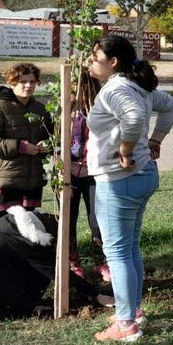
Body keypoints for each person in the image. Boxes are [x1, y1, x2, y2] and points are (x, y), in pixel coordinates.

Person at [87, 35, 173, 342]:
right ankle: (133, 310)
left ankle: (125, 324)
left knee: (117, 252)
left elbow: (135, 116)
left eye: (94, 57)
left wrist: (127, 150)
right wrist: (155, 141)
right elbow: (170, 106)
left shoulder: (117, 89)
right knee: (128, 247)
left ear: (113, 63)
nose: (89, 61)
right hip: (141, 176)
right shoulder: (139, 86)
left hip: (119, 181)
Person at [0, 63, 51, 220]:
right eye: (22, 82)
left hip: (32, 182)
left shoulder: (40, 109)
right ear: (11, 83)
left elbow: (52, 136)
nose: (28, 86)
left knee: (29, 230)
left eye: (32, 81)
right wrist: (20, 147)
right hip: (5, 182)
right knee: (2, 232)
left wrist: (48, 144)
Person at [68, 73, 109, 282]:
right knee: (68, 219)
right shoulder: (63, 111)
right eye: (71, 85)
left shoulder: (99, 110)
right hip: (68, 172)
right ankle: (73, 263)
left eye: (79, 86)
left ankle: (101, 261)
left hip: (93, 173)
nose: (74, 90)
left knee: (97, 219)